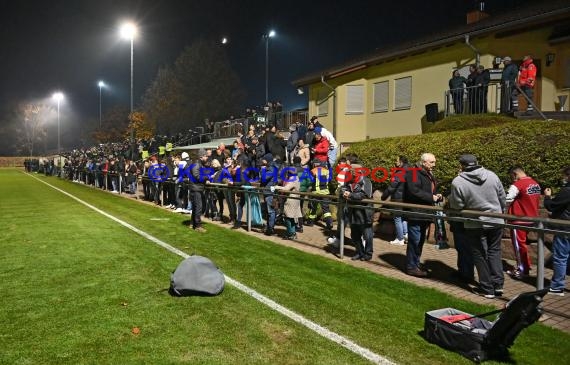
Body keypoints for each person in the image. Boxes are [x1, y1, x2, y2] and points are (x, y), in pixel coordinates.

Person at [448, 154, 506, 299]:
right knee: (495, 252)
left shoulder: (458, 181)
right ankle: (498, 285)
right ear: (477, 162)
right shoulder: (492, 175)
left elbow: (457, 205)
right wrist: (500, 211)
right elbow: (502, 197)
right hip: (496, 220)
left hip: (475, 223)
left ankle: (487, 288)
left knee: (479, 255)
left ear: (461, 165)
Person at [403, 153, 441, 277]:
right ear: (424, 162)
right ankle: (411, 267)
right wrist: (431, 197)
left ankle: (415, 263)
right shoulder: (413, 172)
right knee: (415, 240)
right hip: (415, 212)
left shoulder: (428, 174)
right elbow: (414, 191)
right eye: (432, 162)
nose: (434, 165)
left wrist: (437, 195)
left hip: (424, 212)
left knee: (420, 241)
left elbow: (428, 189)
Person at [505, 166, 541, 279]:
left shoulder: (518, 184)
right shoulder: (535, 183)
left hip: (518, 220)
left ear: (515, 174)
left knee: (519, 245)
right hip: (531, 218)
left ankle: (522, 270)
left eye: (512, 177)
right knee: (522, 245)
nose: (512, 179)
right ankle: (525, 265)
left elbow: (507, 198)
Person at [544, 166, 570, 296]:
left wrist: (547, 197)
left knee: (560, 257)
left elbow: (551, 206)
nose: (564, 178)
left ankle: (557, 287)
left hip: (565, 229)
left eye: (565, 176)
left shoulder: (567, 191)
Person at [342, 162, 374, 261]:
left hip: (364, 212)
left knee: (367, 235)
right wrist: (343, 193)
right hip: (353, 212)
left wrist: (350, 195)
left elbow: (364, 195)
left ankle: (368, 254)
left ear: (355, 172)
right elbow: (342, 189)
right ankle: (360, 252)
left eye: (350, 172)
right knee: (354, 235)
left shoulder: (366, 181)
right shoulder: (349, 181)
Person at [381, 155, 410, 245]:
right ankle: (405, 235)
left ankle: (400, 238)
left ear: (401, 162)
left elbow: (392, 187)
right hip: (406, 199)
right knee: (403, 217)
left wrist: (384, 196)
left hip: (398, 199)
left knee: (397, 218)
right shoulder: (410, 171)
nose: (395, 162)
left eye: (397, 161)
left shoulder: (400, 172)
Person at [273, 170, 302, 240]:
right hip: (295, 200)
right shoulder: (297, 178)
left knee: (287, 217)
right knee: (291, 217)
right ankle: (292, 233)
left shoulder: (292, 179)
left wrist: (276, 187)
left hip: (291, 200)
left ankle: (291, 233)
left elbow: (286, 188)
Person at [188, 148, 209, 232]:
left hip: (196, 188)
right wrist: (207, 178)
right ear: (201, 156)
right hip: (196, 189)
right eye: (206, 156)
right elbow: (197, 176)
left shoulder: (199, 164)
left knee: (196, 207)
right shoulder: (197, 164)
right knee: (199, 207)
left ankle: (192, 223)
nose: (207, 157)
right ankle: (198, 226)